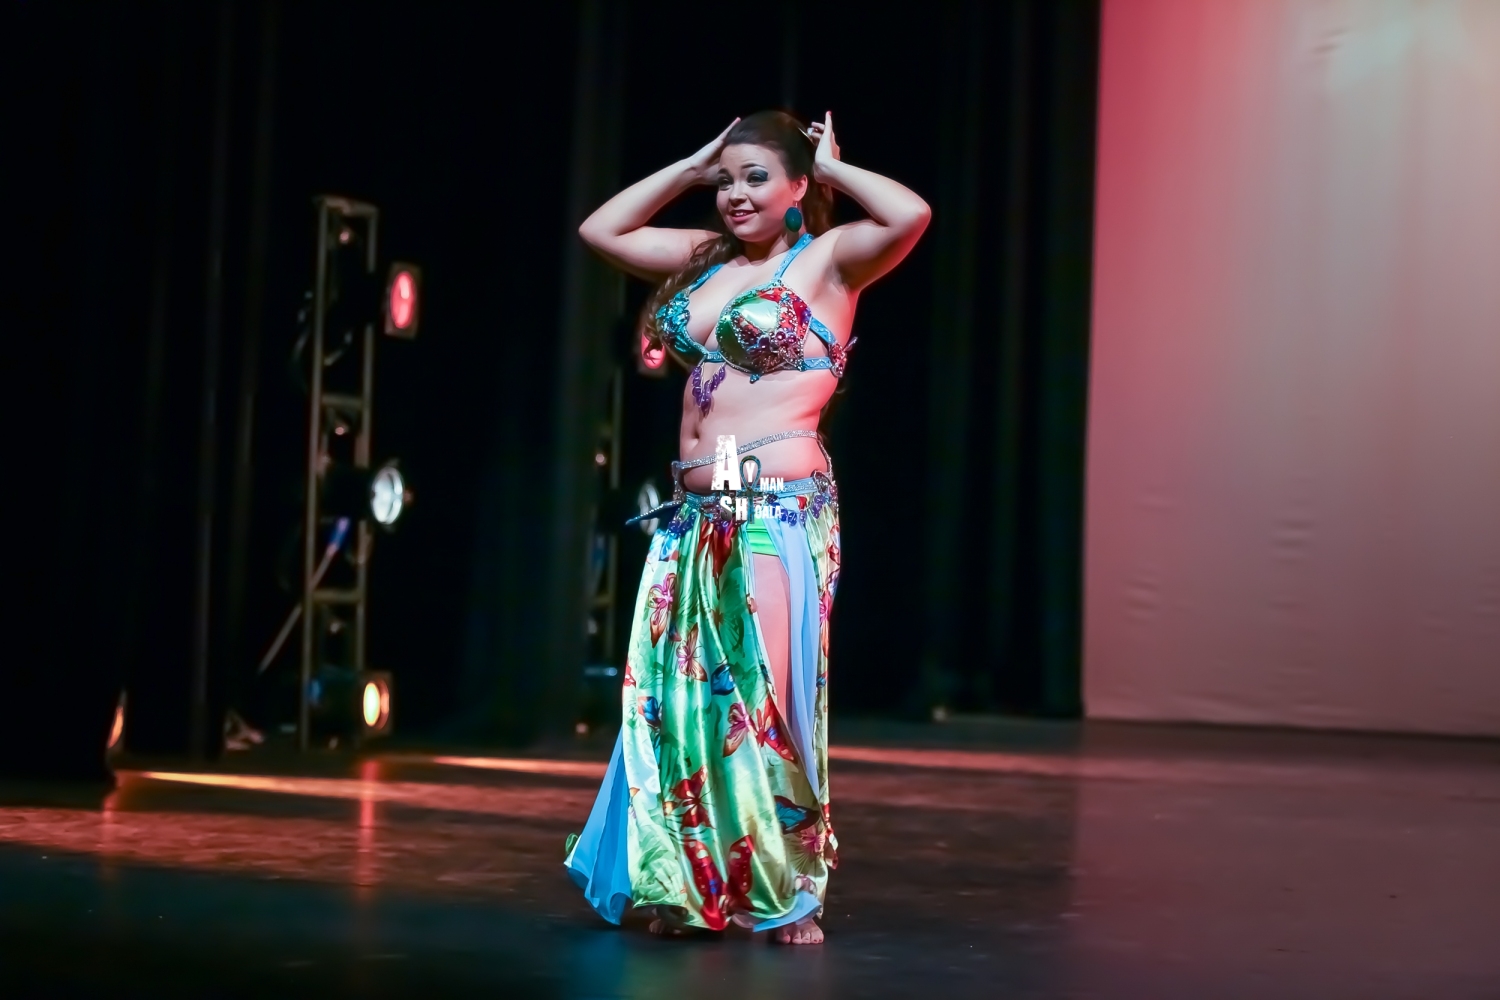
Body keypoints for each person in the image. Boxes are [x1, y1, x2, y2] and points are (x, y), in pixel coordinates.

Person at [564, 109, 929, 945]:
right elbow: (600, 230)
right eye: (727, 180)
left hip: (776, 508)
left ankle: (790, 885)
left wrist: (836, 171)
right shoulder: (706, 259)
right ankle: (688, 882)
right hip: (696, 513)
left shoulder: (831, 261)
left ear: (800, 185)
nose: (735, 194)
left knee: (761, 696)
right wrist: (690, 167)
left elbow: (910, 214)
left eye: (755, 177)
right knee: (678, 699)